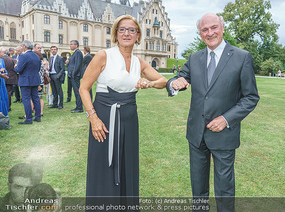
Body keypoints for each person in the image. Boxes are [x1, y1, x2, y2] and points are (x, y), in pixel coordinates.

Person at [167, 13, 260, 212]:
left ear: (223, 28)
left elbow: (251, 97)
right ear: (200, 34)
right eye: (204, 30)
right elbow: (179, 79)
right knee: (198, 191)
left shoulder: (242, 57)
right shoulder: (194, 58)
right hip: (196, 135)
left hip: (224, 135)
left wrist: (226, 119)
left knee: (224, 190)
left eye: (214, 27)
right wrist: (174, 84)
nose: (210, 33)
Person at [79, 15, 167, 203]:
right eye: (122, 29)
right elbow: (83, 88)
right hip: (104, 119)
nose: (127, 33)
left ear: (138, 36)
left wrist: (148, 83)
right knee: (104, 166)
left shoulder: (139, 62)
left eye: (132, 30)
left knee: (128, 164)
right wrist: (93, 119)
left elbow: (163, 81)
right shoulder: (104, 55)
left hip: (129, 119)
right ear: (116, 34)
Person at [15, 40, 41, 125]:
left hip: (25, 80)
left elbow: (19, 69)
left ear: (24, 46)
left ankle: (29, 118)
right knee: (36, 98)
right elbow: (38, 69)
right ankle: (38, 117)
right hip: (34, 79)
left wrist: (15, 66)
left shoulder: (23, 56)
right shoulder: (36, 56)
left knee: (26, 99)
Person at [67, 40, 83, 113]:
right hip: (72, 75)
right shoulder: (74, 53)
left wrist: (73, 74)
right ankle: (77, 106)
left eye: (71, 44)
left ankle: (79, 108)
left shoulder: (78, 52)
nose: (70, 45)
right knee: (76, 92)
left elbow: (77, 64)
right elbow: (71, 64)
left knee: (77, 92)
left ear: (76, 45)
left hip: (75, 76)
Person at [0, 48, 17, 112]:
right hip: (9, 78)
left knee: (4, 93)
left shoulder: (2, 59)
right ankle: (8, 106)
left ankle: (5, 107)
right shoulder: (12, 59)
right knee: (8, 93)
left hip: (4, 77)